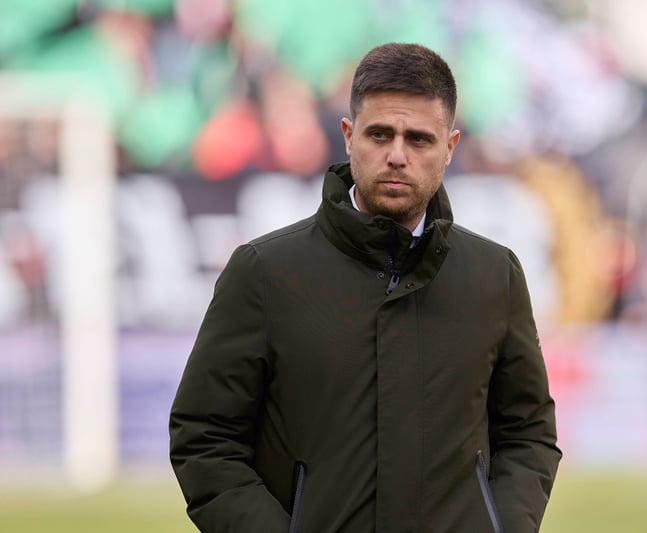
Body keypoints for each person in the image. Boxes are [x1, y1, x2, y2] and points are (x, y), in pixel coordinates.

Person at [169, 42, 561, 533]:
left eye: (419, 139)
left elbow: (528, 433)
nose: (397, 155)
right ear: (349, 136)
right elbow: (205, 439)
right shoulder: (264, 272)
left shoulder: (494, 275)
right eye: (380, 134)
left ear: (450, 147)